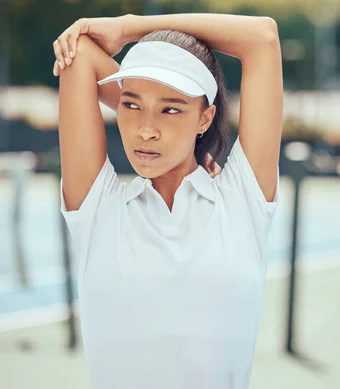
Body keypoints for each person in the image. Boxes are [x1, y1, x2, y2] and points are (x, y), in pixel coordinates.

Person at [53, 12, 283, 389]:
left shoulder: (242, 200)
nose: (145, 130)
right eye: (130, 105)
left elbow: (263, 37)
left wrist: (128, 27)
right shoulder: (98, 208)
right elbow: (79, 54)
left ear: (205, 117)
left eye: (171, 109)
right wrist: (170, 114)